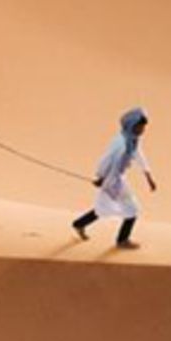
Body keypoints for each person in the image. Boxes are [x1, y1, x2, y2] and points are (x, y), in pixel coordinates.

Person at [71, 107, 156, 249]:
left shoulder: (133, 139)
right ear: (132, 125)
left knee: (103, 208)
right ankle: (122, 240)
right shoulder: (120, 143)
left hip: (118, 179)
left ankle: (79, 224)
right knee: (132, 210)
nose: (143, 129)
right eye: (140, 126)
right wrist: (101, 176)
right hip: (112, 180)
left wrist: (148, 175)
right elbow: (106, 160)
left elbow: (138, 155)